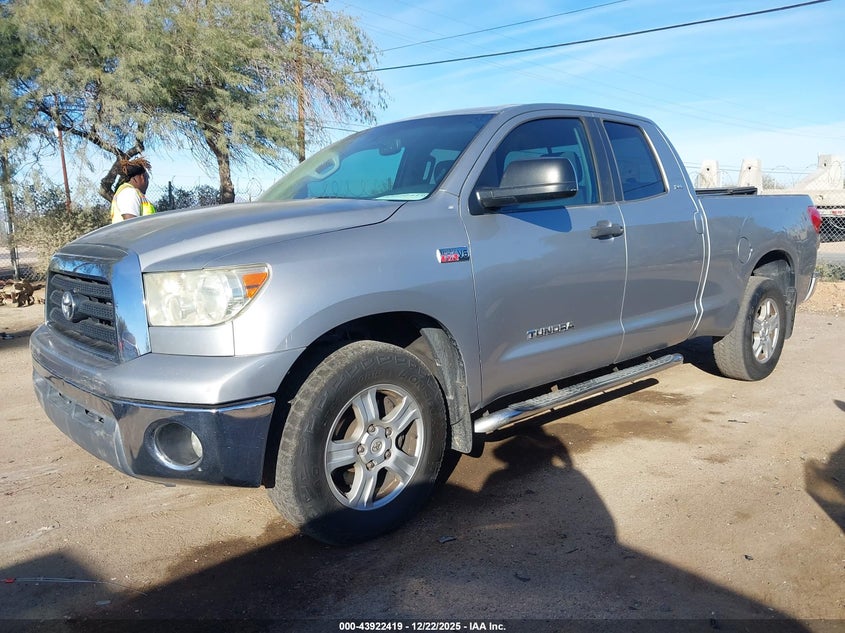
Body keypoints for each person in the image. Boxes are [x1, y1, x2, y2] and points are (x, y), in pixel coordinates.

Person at [110, 157, 157, 223]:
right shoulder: (129, 193)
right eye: (147, 178)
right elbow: (131, 225)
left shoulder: (132, 193)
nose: (147, 183)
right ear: (142, 177)